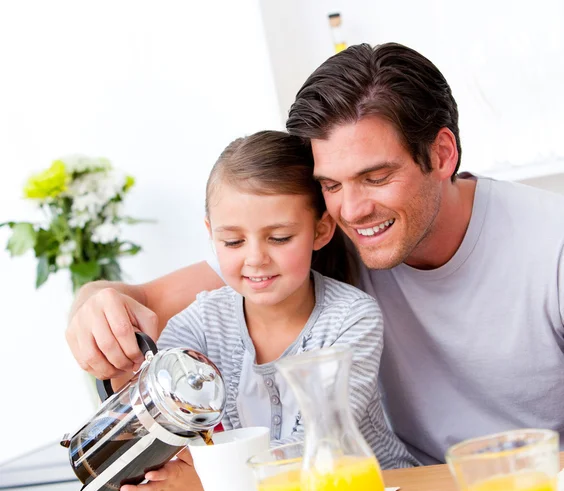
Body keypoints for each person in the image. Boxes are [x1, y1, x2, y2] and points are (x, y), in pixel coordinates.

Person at [67, 42, 564, 468]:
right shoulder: (320, 236)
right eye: (330, 184)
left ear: (441, 154)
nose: (353, 209)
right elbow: (133, 297)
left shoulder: (550, 245)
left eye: (376, 177)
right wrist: (93, 307)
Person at [115, 130, 417, 491]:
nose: (255, 258)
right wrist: (120, 364)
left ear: (320, 230)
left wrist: (212, 485)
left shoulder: (351, 319)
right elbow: (150, 400)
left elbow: (321, 446)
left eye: (279, 238)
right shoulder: (202, 323)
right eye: (233, 242)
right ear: (211, 234)